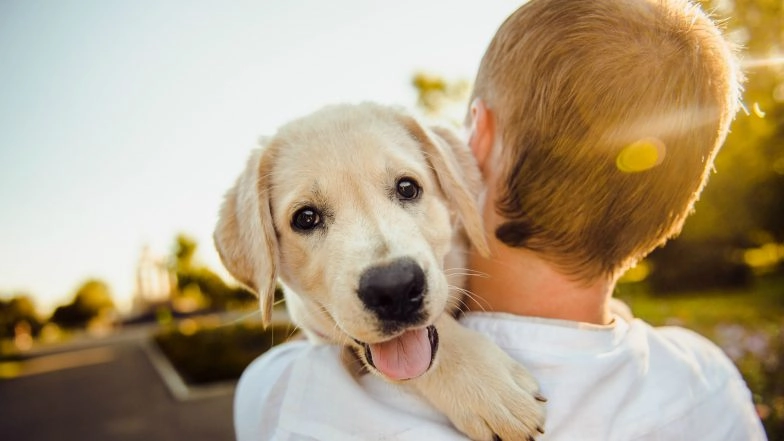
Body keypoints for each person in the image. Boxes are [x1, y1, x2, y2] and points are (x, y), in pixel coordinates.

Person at [234, 0, 767, 439]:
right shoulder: (709, 383)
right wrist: (445, 358)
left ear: (476, 140)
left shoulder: (283, 396)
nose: (389, 267)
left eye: (406, 188)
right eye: (308, 218)